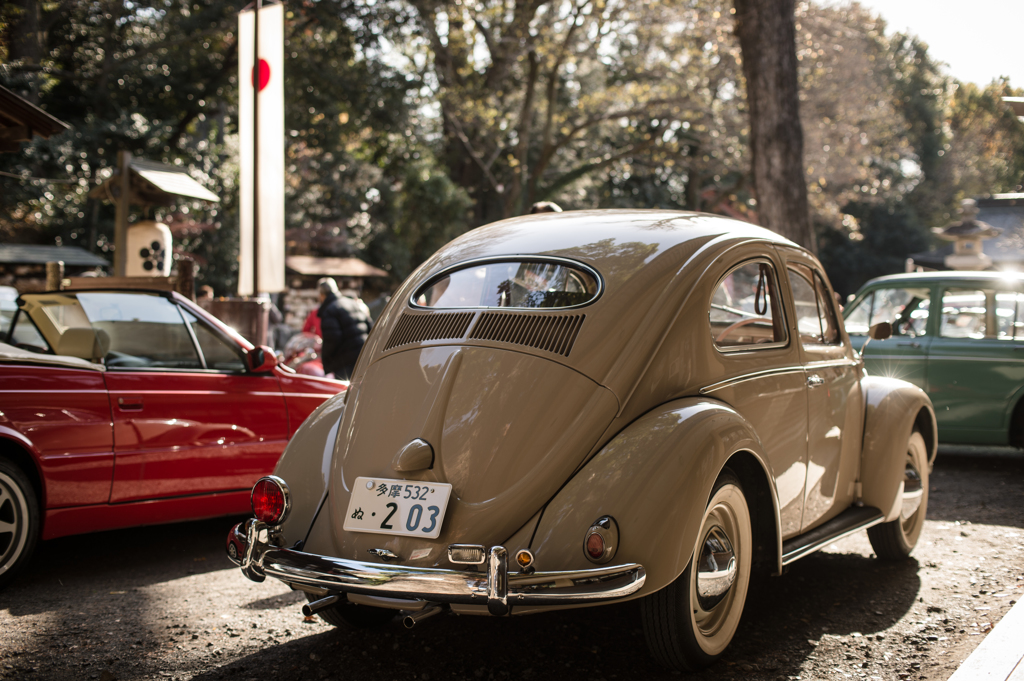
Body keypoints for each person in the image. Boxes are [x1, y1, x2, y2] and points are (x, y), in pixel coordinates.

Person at [316, 277, 372, 380]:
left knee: (346, 393)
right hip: (363, 356)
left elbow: (332, 339)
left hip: (345, 363)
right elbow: (370, 326)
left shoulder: (329, 310)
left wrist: (327, 362)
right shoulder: (352, 302)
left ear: (322, 295)